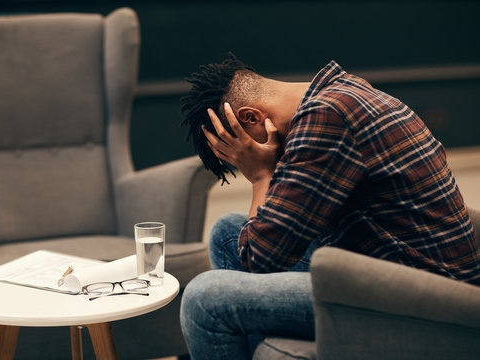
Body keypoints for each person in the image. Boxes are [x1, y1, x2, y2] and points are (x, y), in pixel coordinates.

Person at [179, 54, 480, 360]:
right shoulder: (341, 91)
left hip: (421, 303)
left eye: (241, 150)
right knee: (229, 233)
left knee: (204, 300)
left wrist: (259, 176)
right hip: (388, 272)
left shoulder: (326, 119)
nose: (244, 159)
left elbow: (261, 260)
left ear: (251, 119)